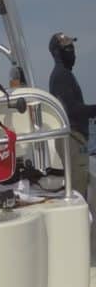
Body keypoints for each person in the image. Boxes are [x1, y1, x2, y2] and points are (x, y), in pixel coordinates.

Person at [48, 32, 95, 197]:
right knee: (78, 195)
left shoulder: (64, 75)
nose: (72, 52)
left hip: (75, 141)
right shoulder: (62, 76)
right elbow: (72, 110)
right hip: (72, 141)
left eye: (73, 47)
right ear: (56, 52)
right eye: (67, 48)